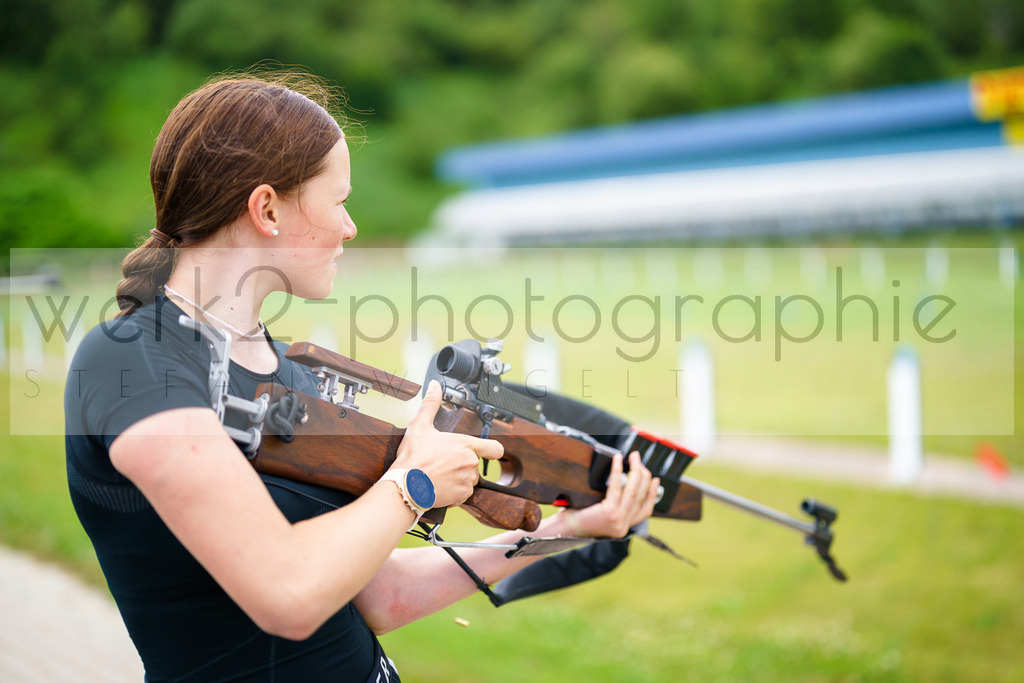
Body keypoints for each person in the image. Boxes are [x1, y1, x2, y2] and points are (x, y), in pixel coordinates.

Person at [64, 71, 661, 682]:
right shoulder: (132, 361)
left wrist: (569, 528)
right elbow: (288, 595)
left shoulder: (285, 369)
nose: (349, 228)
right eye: (339, 201)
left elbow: (381, 595)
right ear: (266, 208)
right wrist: (413, 484)